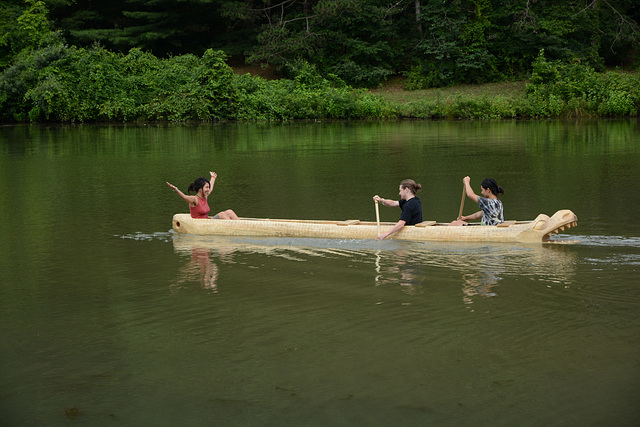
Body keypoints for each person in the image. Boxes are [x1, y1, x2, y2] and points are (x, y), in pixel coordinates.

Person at [167, 171, 239, 220]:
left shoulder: (205, 196)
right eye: (206, 187)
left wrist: (213, 177)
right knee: (222, 214)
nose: (208, 189)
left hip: (208, 222)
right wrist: (176, 189)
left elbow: (211, 188)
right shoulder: (194, 199)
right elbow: (185, 197)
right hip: (201, 225)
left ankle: (242, 226)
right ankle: (236, 228)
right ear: (200, 189)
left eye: (208, 187)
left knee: (229, 211)